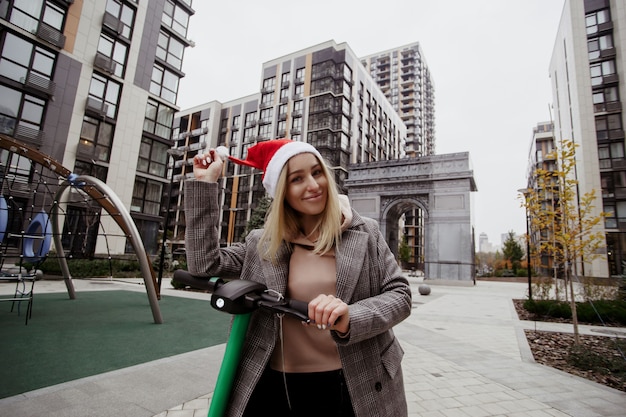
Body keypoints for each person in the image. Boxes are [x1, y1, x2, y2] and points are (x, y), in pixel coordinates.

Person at [185, 139, 412, 417]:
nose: (314, 185)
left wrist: (350, 316)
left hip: (355, 381)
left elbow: (400, 295)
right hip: (273, 384)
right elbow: (203, 264)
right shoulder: (261, 242)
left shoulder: (367, 233)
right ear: (282, 193)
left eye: (317, 172)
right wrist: (206, 184)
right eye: (297, 179)